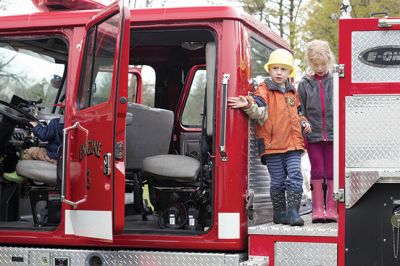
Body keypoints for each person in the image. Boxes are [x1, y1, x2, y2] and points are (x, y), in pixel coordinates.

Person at [228, 48, 311, 226]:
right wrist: (247, 103)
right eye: (275, 68)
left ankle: (294, 213)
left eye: (283, 69)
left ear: (290, 72)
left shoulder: (292, 92)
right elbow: (258, 106)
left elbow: (298, 113)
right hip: (272, 146)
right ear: (270, 70)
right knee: (278, 181)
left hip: (293, 145)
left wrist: (304, 122)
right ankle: (279, 213)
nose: (279, 72)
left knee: (295, 175)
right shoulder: (264, 88)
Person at [298, 39, 336, 223]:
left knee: (331, 170)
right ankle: (318, 208)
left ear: (329, 60)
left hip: (333, 135)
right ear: (310, 62)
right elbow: (300, 110)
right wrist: (304, 123)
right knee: (317, 170)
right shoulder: (304, 83)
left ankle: (332, 207)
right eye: (315, 64)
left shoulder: (335, 80)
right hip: (313, 136)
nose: (319, 68)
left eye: (323, 64)